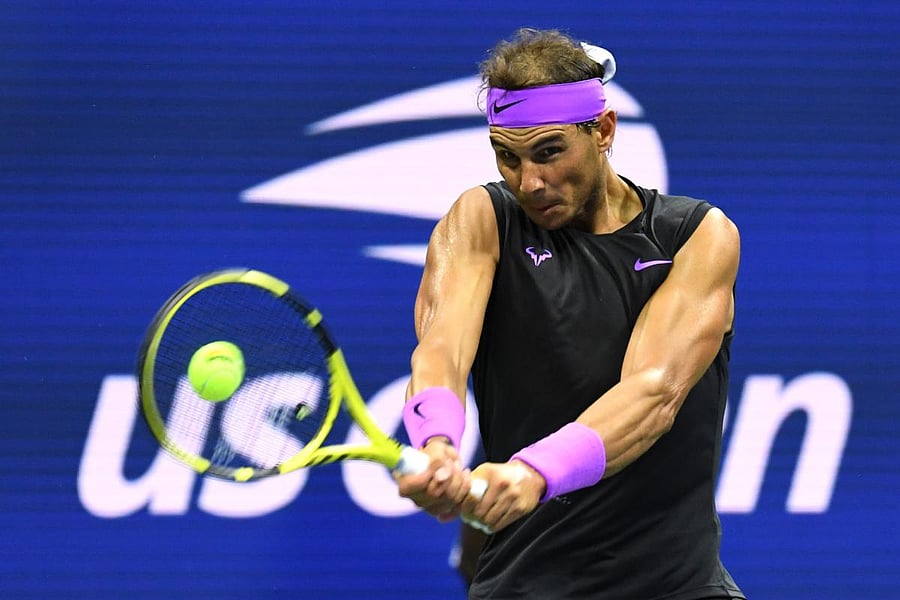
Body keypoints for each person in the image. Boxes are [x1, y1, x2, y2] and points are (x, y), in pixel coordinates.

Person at [396, 27, 745, 599]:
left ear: (603, 131)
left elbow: (653, 393)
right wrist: (436, 443)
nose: (529, 182)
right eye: (507, 157)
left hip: (678, 587)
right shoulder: (484, 218)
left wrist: (535, 473)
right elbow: (441, 349)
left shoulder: (694, 236)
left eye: (550, 151)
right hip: (524, 582)